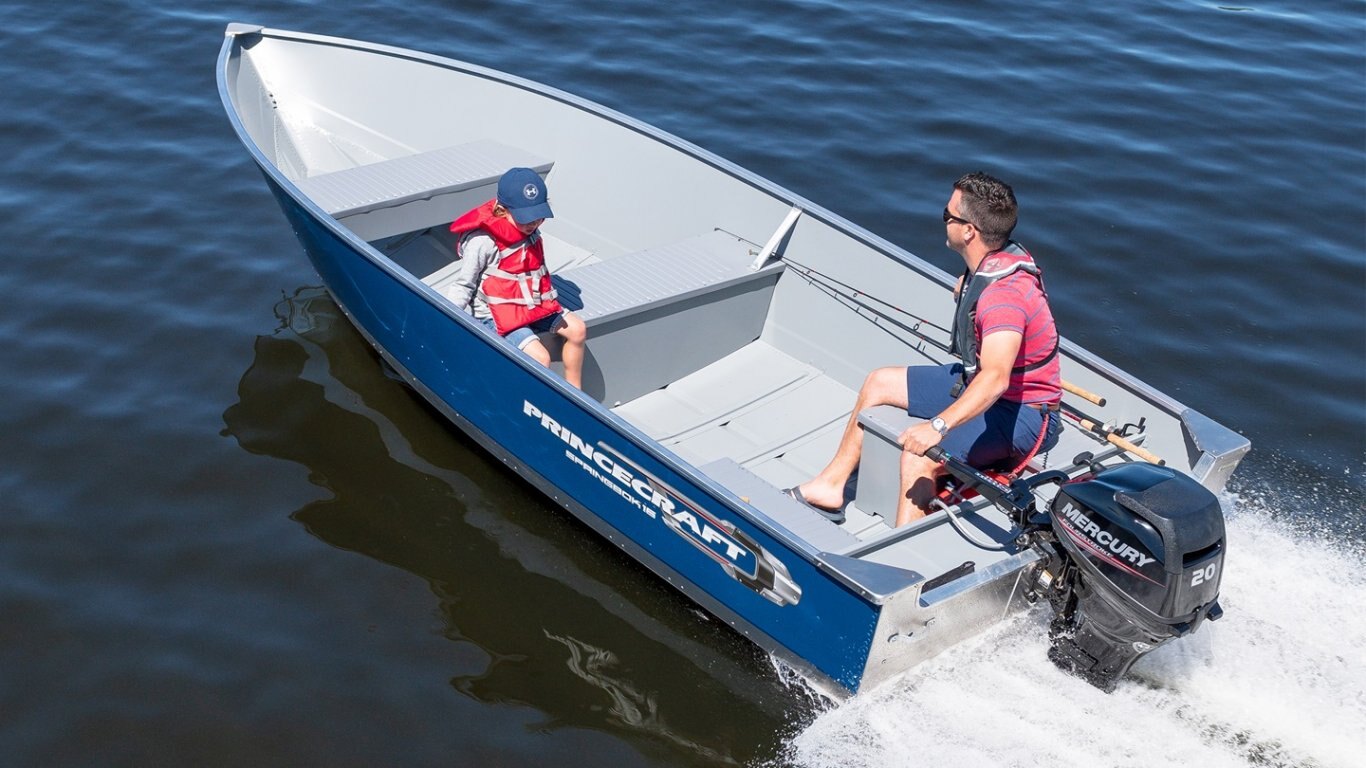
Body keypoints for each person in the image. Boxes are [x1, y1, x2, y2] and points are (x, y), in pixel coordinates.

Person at [789, 172, 1062, 526]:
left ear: (969, 231)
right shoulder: (990, 266)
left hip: (1023, 415)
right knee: (879, 382)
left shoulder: (1003, 299)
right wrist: (969, 286)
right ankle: (829, 487)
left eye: (948, 215)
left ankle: (905, 554)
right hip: (978, 384)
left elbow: (996, 377)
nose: (943, 220)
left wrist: (938, 426)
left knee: (919, 458)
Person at [441, 167, 588, 388]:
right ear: (502, 210)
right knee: (541, 357)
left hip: (527, 304)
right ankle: (531, 401)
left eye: (538, 217)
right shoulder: (482, 242)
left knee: (578, 329)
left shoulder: (530, 231)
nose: (533, 223)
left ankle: (575, 392)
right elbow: (464, 285)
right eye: (526, 218)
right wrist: (447, 319)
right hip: (493, 313)